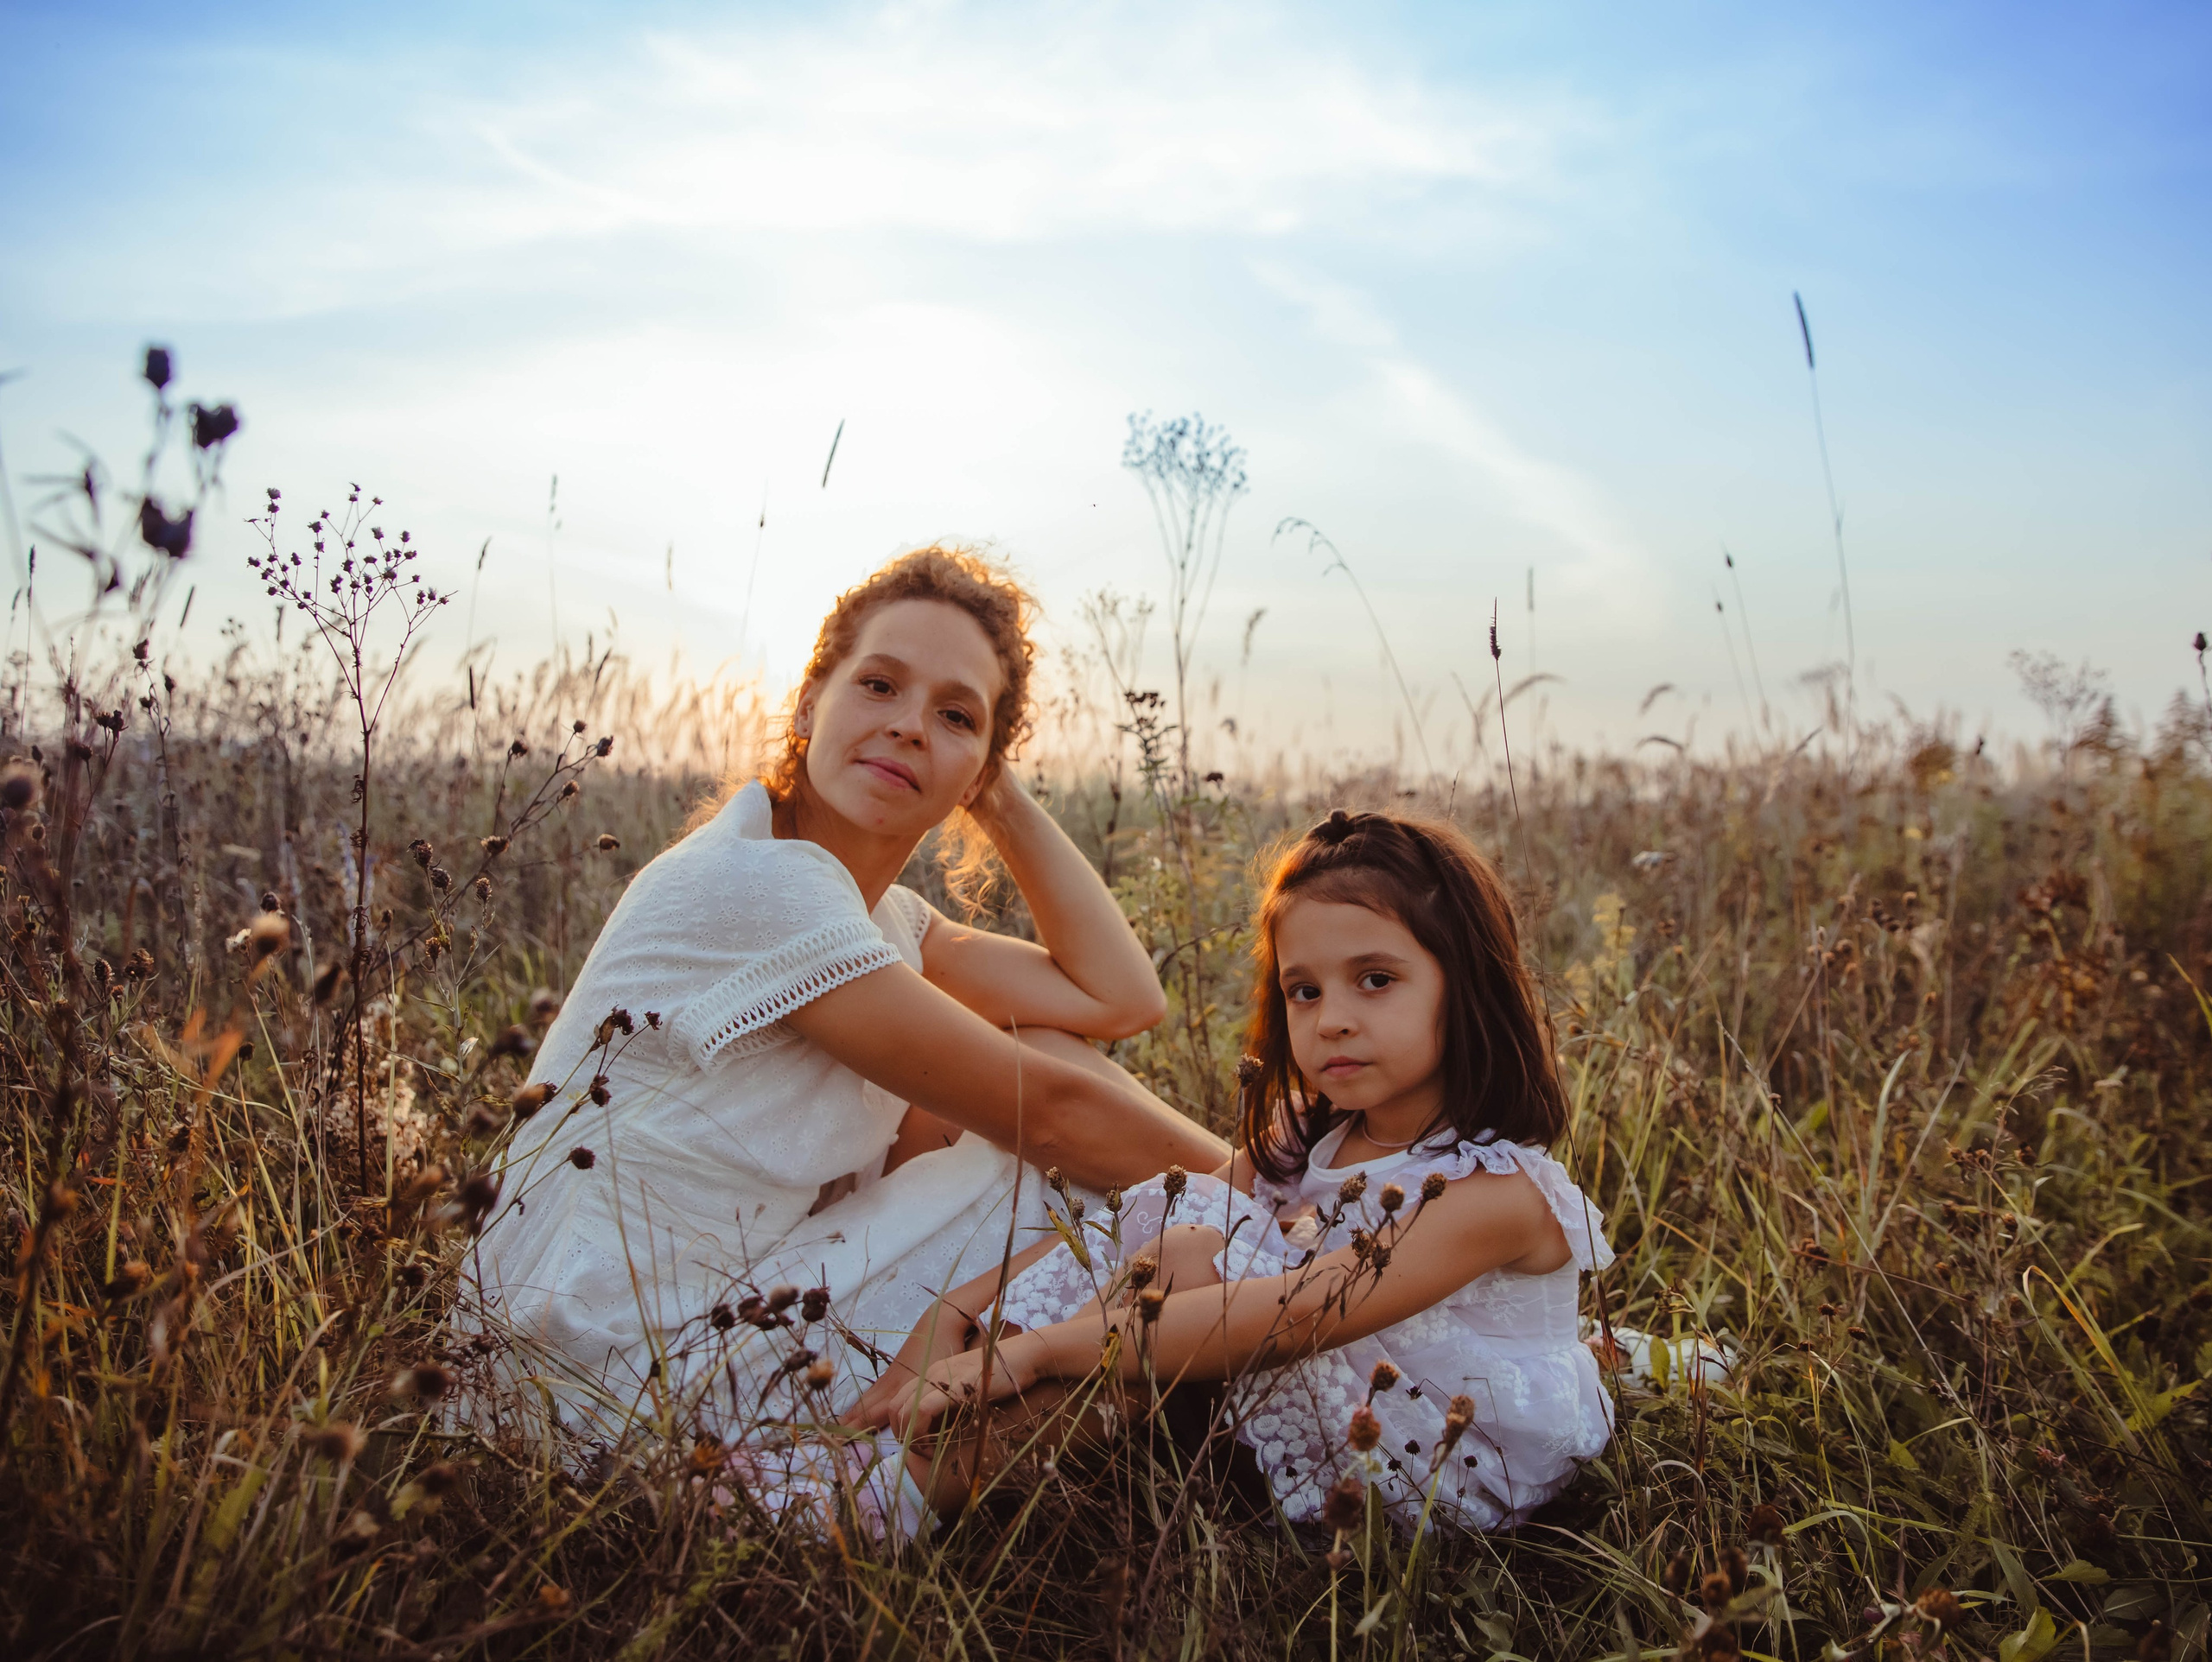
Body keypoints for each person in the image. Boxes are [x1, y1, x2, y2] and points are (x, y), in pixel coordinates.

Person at [462, 545, 1225, 1456]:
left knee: (1049, 1086)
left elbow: (1118, 996)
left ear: (981, 769)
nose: (908, 725)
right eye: (878, 686)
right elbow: (1054, 1114)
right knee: (1062, 1178)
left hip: (646, 1343)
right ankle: (1280, 1313)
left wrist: (995, 793)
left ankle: (1204, 1355)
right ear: (807, 701)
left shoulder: (882, 920)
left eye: (953, 714)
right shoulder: (759, 884)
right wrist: (1272, 1196)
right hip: (590, 1381)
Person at [851, 808, 1615, 1534]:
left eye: (1376, 979)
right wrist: (957, 1308)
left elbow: (1296, 1316)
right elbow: (1146, 1213)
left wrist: (1037, 1350)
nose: (1332, 1018)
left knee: (1191, 1252)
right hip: (1319, 1388)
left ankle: (897, 1497)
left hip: (1437, 1455)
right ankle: (919, 1448)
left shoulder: (1501, 1193)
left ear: (1467, 983)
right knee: (1182, 1216)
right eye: (1304, 991)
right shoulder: (1311, 1131)